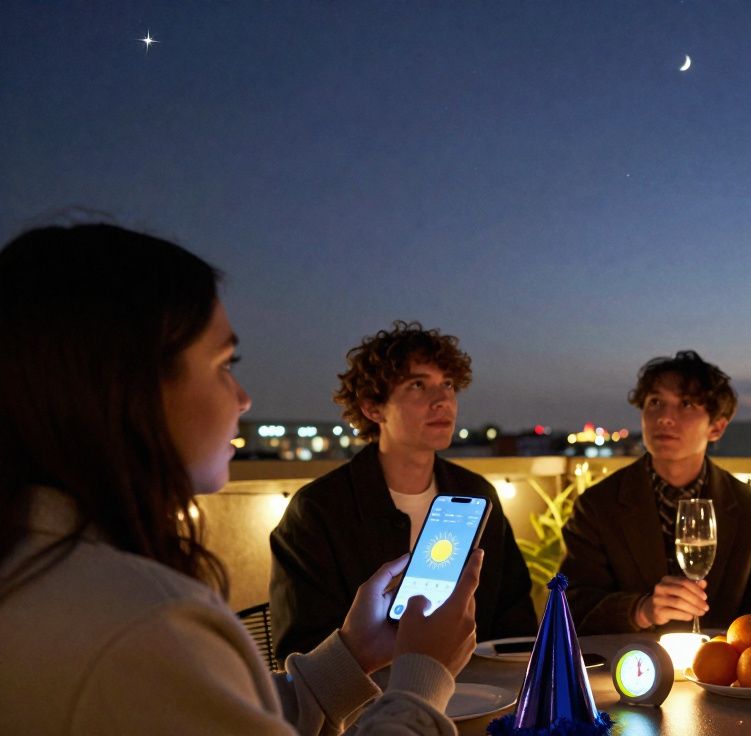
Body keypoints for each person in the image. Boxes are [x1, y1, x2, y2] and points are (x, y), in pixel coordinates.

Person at [0, 224, 476, 734]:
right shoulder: (136, 624)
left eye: (447, 385)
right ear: (126, 387)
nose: (244, 398)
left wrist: (352, 655)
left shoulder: (46, 568)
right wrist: (421, 676)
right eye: (225, 364)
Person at [269, 322, 536, 662]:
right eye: (418, 386)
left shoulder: (475, 494)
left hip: (480, 693)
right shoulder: (318, 510)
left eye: (448, 385)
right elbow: (301, 649)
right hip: (365, 706)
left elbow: (513, 616)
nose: (442, 401)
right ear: (372, 408)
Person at [559, 350, 751, 633]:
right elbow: (570, 607)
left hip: (722, 672)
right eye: (655, 402)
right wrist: (640, 610)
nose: (665, 418)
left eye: (686, 404)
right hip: (624, 667)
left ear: (717, 427)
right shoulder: (598, 504)